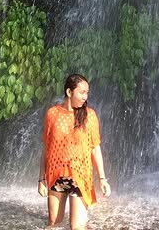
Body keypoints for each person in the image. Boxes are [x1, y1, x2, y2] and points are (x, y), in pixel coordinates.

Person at [38, 73, 111, 229]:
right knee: (53, 225)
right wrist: (41, 179)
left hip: (80, 177)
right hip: (56, 176)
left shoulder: (89, 116)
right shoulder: (52, 114)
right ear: (69, 92)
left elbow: (95, 148)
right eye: (82, 92)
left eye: (87, 93)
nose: (85, 96)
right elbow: (46, 148)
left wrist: (102, 178)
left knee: (77, 226)